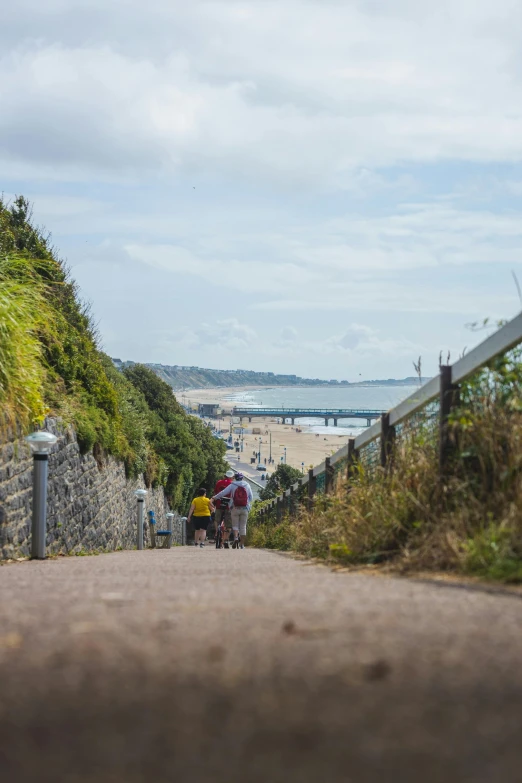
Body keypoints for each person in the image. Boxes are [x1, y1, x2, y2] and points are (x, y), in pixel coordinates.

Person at [212, 472, 253, 549]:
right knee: (243, 526)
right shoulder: (247, 485)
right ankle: (242, 544)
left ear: (235, 478)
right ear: (242, 478)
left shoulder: (233, 485)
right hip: (245, 508)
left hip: (235, 508)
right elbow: (251, 497)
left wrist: (215, 497)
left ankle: (236, 538)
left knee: (235, 525)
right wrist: (246, 502)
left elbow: (223, 492)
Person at [213, 470, 235, 548]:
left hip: (219, 504)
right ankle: (226, 539)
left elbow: (215, 492)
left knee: (217, 520)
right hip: (228, 506)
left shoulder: (219, 482)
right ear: (232, 477)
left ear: (224, 476)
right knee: (228, 524)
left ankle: (217, 531)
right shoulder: (232, 484)